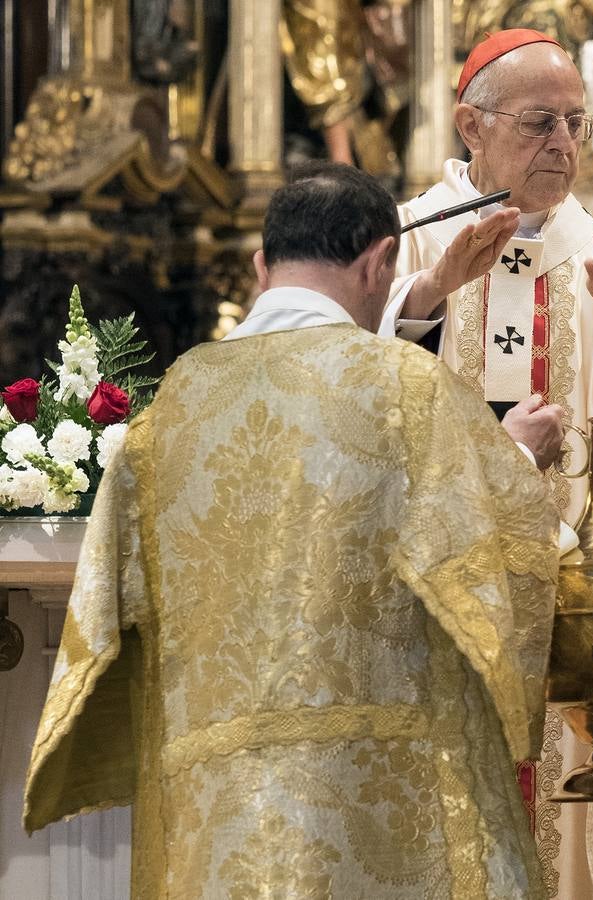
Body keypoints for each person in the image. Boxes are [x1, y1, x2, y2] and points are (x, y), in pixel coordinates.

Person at [24, 162, 560, 899]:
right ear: (379, 263)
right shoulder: (407, 388)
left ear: (259, 266)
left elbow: (105, 621)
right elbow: (485, 561)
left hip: (217, 815)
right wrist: (524, 459)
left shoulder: (169, 414)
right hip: (381, 801)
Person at [379, 28, 593, 527]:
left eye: (575, 122)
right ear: (472, 128)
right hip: (437, 557)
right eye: (539, 123)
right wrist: (428, 294)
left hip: (583, 566)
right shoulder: (403, 242)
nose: (563, 144)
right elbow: (352, 402)